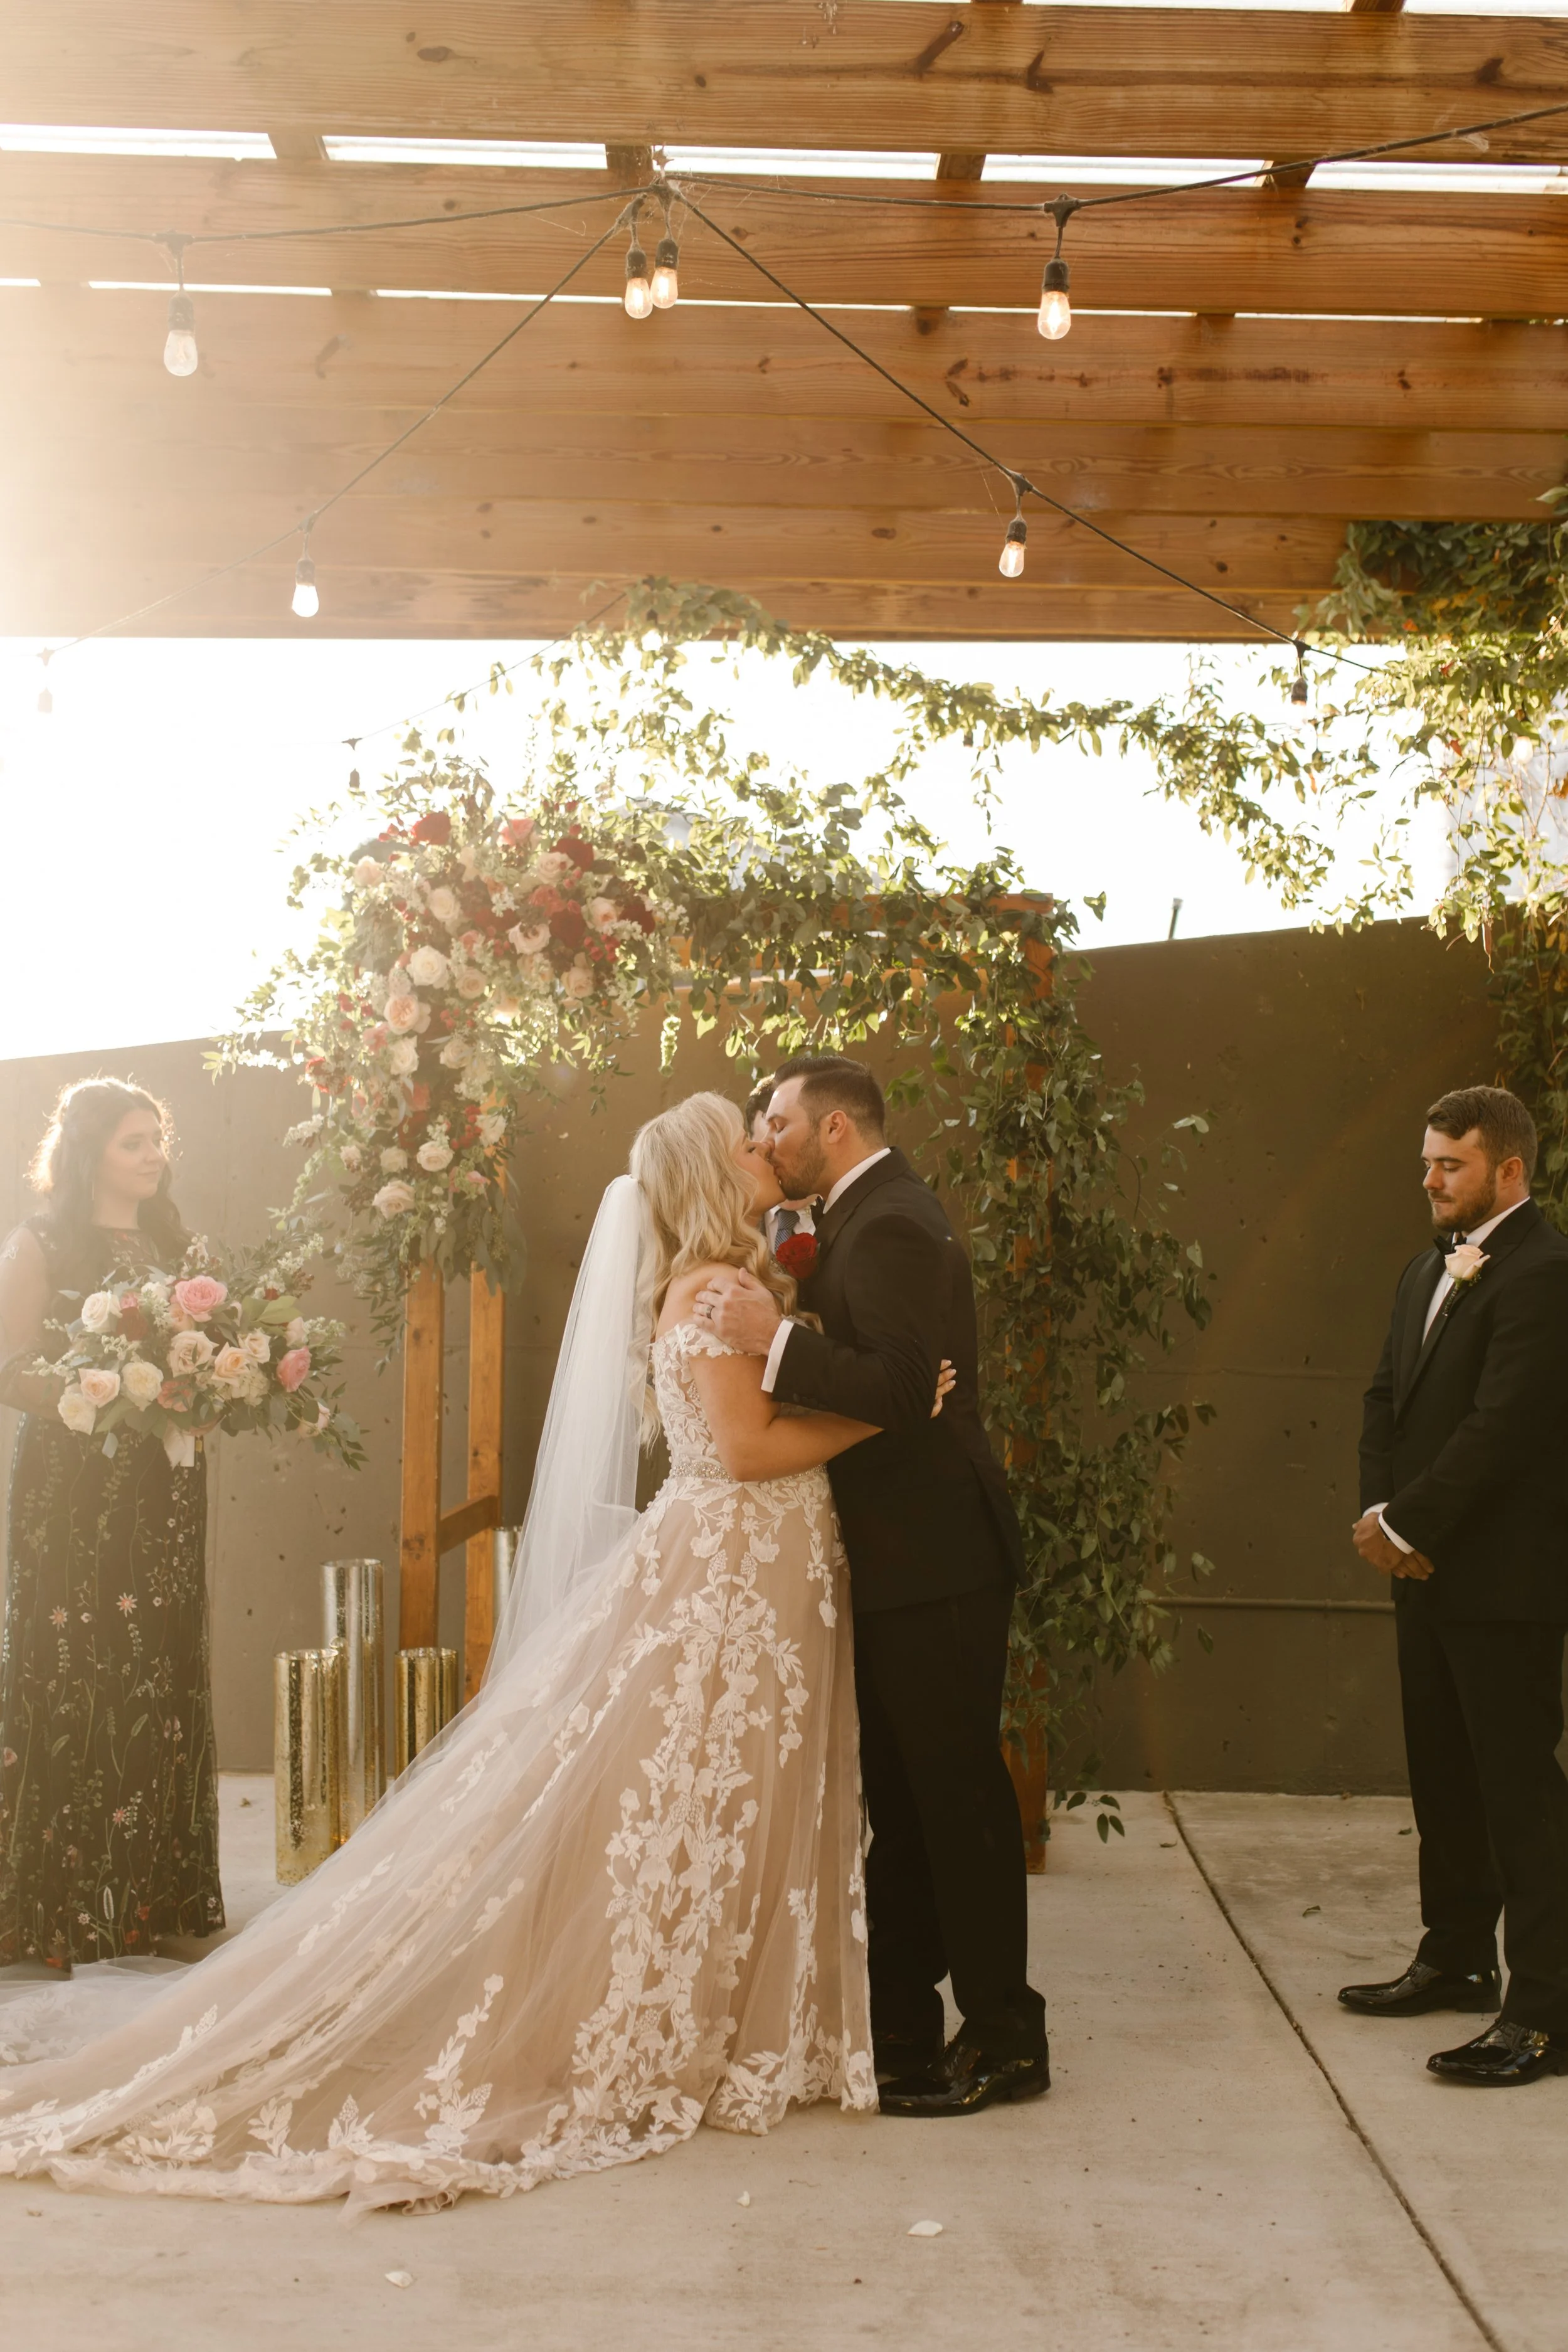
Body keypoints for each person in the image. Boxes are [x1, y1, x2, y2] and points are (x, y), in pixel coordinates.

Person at [0, 1091, 948, 2210]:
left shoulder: (721, 1283)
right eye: (744, 1139)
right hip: (734, 1564)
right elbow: (744, 1449)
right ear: (707, 1170)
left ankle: (714, 2004)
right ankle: (673, 2013)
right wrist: (891, 1409)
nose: (762, 1144)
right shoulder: (715, 1290)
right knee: (693, 1795)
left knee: (708, 1796)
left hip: (746, 1565)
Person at [696, 1052, 1049, 2117]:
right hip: (897, 1555)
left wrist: (778, 1338)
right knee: (903, 1800)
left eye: (779, 1119)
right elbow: (901, 1380)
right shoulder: (853, 1215)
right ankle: (900, 2016)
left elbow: (901, 1387)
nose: (766, 1135)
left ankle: (1005, 2034)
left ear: (837, 1129)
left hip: (936, 1553)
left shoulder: (892, 1220)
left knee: (958, 1798)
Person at [1343, 1084, 1568, 2087]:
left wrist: (1410, 1524)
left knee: (1520, 1789)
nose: (1429, 1180)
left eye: (1452, 1164)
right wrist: (1384, 1525)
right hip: (1423, 1568)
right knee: (1443, 1773)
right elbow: (1385, 1397)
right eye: (1427, 1161)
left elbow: (1506, 1425)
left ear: (1509, 1170)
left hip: (1505, 1578)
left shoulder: (1547, 1271)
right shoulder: (1421, 1267)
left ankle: (1546, 2010)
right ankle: (1458, 1953)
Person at [0, 1079, 223, 1978]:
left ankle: (154, 1903)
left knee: (160, 1667)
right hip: (74, 1491)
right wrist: (96, 1393)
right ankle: (48, 1910)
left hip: (161, 1486)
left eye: (156, 1138)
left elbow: (204, 1348)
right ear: (92, 1149)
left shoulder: (175, 1243)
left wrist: (205, 1389)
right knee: (71, 1672)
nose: (153, 1154)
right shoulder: (41, 1241)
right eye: (135, 1140)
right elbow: (6, 1366)